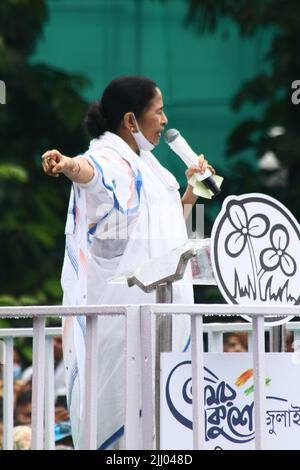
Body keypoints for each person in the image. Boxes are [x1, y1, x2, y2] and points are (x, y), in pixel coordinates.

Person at [41, 76, 215, 449]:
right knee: (125, 431)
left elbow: (166, 233)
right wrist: (68, 164)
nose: (166, 120)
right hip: (125, 322)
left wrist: (192, 191)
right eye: (159, 111)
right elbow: (93, 176)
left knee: (163, 427)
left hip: (163, 313)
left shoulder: (149, 167)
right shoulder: (108, 158)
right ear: (131, 120)